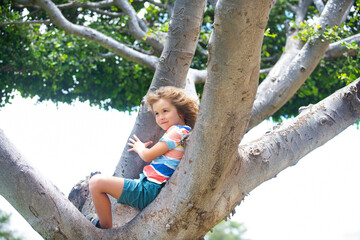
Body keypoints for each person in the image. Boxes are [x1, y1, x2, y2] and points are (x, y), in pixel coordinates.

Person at [87, 86, 199, 229]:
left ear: (181, 111)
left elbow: (147, 155)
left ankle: (104, 226)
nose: (160, 117)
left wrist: (140, 147)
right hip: (151, 187)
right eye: (157, 113)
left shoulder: (176, 131)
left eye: (165, 111)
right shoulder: (184, 132)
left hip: (149, 190)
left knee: (96, 182)